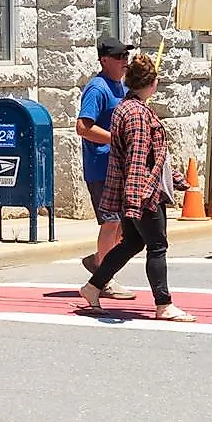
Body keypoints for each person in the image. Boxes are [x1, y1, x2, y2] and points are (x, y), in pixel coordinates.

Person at [78, 54, 196, 322]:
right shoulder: (138, 114)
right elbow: (137, 159)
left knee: (132, 242)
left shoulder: (125, 107)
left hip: (130, 190)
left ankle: (93, 286)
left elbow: (151, 156)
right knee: (157, 245)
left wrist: (175, 178)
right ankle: (163, 304)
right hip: (142, 193)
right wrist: (138, 198)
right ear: (152, 83)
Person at [76, 39, 135, 299]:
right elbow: (83, 127)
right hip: (102, 167)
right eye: (120, 56)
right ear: (104, 60)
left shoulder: (121, 87)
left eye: (127, 55)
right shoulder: (97, 89)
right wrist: (115, 138)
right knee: (111, 222)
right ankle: (104, 278)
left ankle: (99, 260)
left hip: (119, 167)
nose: (125, 60)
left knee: (126, 223)